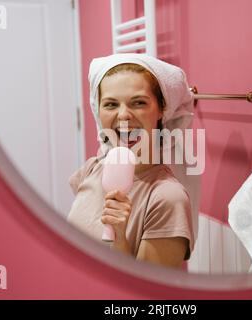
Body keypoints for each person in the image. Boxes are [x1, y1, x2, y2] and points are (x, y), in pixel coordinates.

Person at [67, 54, 195, 269]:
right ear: (98, 110)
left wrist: (119, 237)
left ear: (161, 108)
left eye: (138, 102)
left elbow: (147, 296)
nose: (123, 115)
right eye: (110, 104)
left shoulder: (167, 198)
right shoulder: (92, 168)